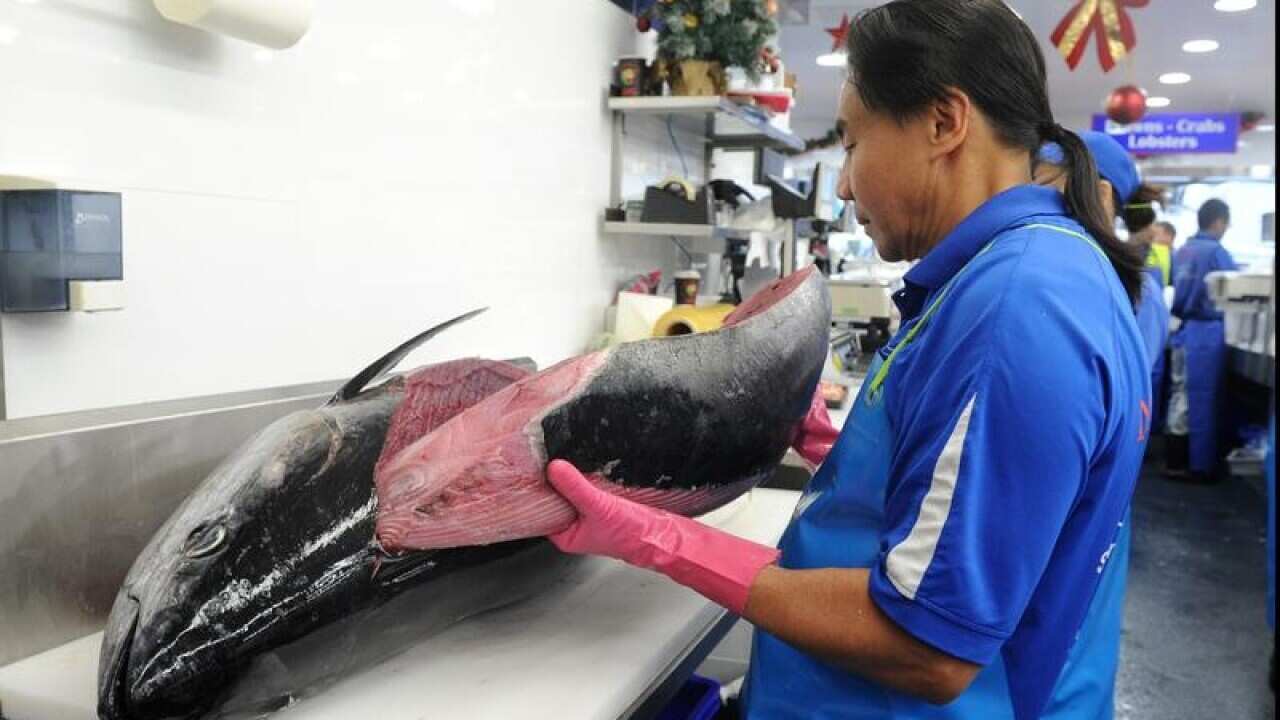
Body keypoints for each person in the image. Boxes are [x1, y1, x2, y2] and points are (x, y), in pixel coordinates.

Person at [544, 1, 1150, 718]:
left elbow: (924, 646)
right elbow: (985, 491)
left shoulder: (1015, 308)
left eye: (854, 144)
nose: (842, 185)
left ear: (943, 123)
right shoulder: (1022, 272)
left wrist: (663, 541)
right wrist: (836, 442)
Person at [1032, 130, 1169, 719]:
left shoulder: (1128, 290)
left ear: (1101, 195)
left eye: (1040, 182)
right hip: (1082, 494)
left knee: (1066, 644)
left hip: (1085, 496)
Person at [1165, 198, 1237, 482]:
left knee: (1180, 395)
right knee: (1203, 400)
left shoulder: (1184, 250)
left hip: (1183, 331)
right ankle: (1199, 466)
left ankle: (1175, 459)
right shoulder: (1216, 252)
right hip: (1207, 333)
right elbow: (1233, 291)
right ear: (1218, 221)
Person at [1148, 221, 1176, 286]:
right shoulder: (1179, 257)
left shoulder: (1153, 251)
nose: (1152, 237)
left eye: (1156, 234)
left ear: (1168, 236)